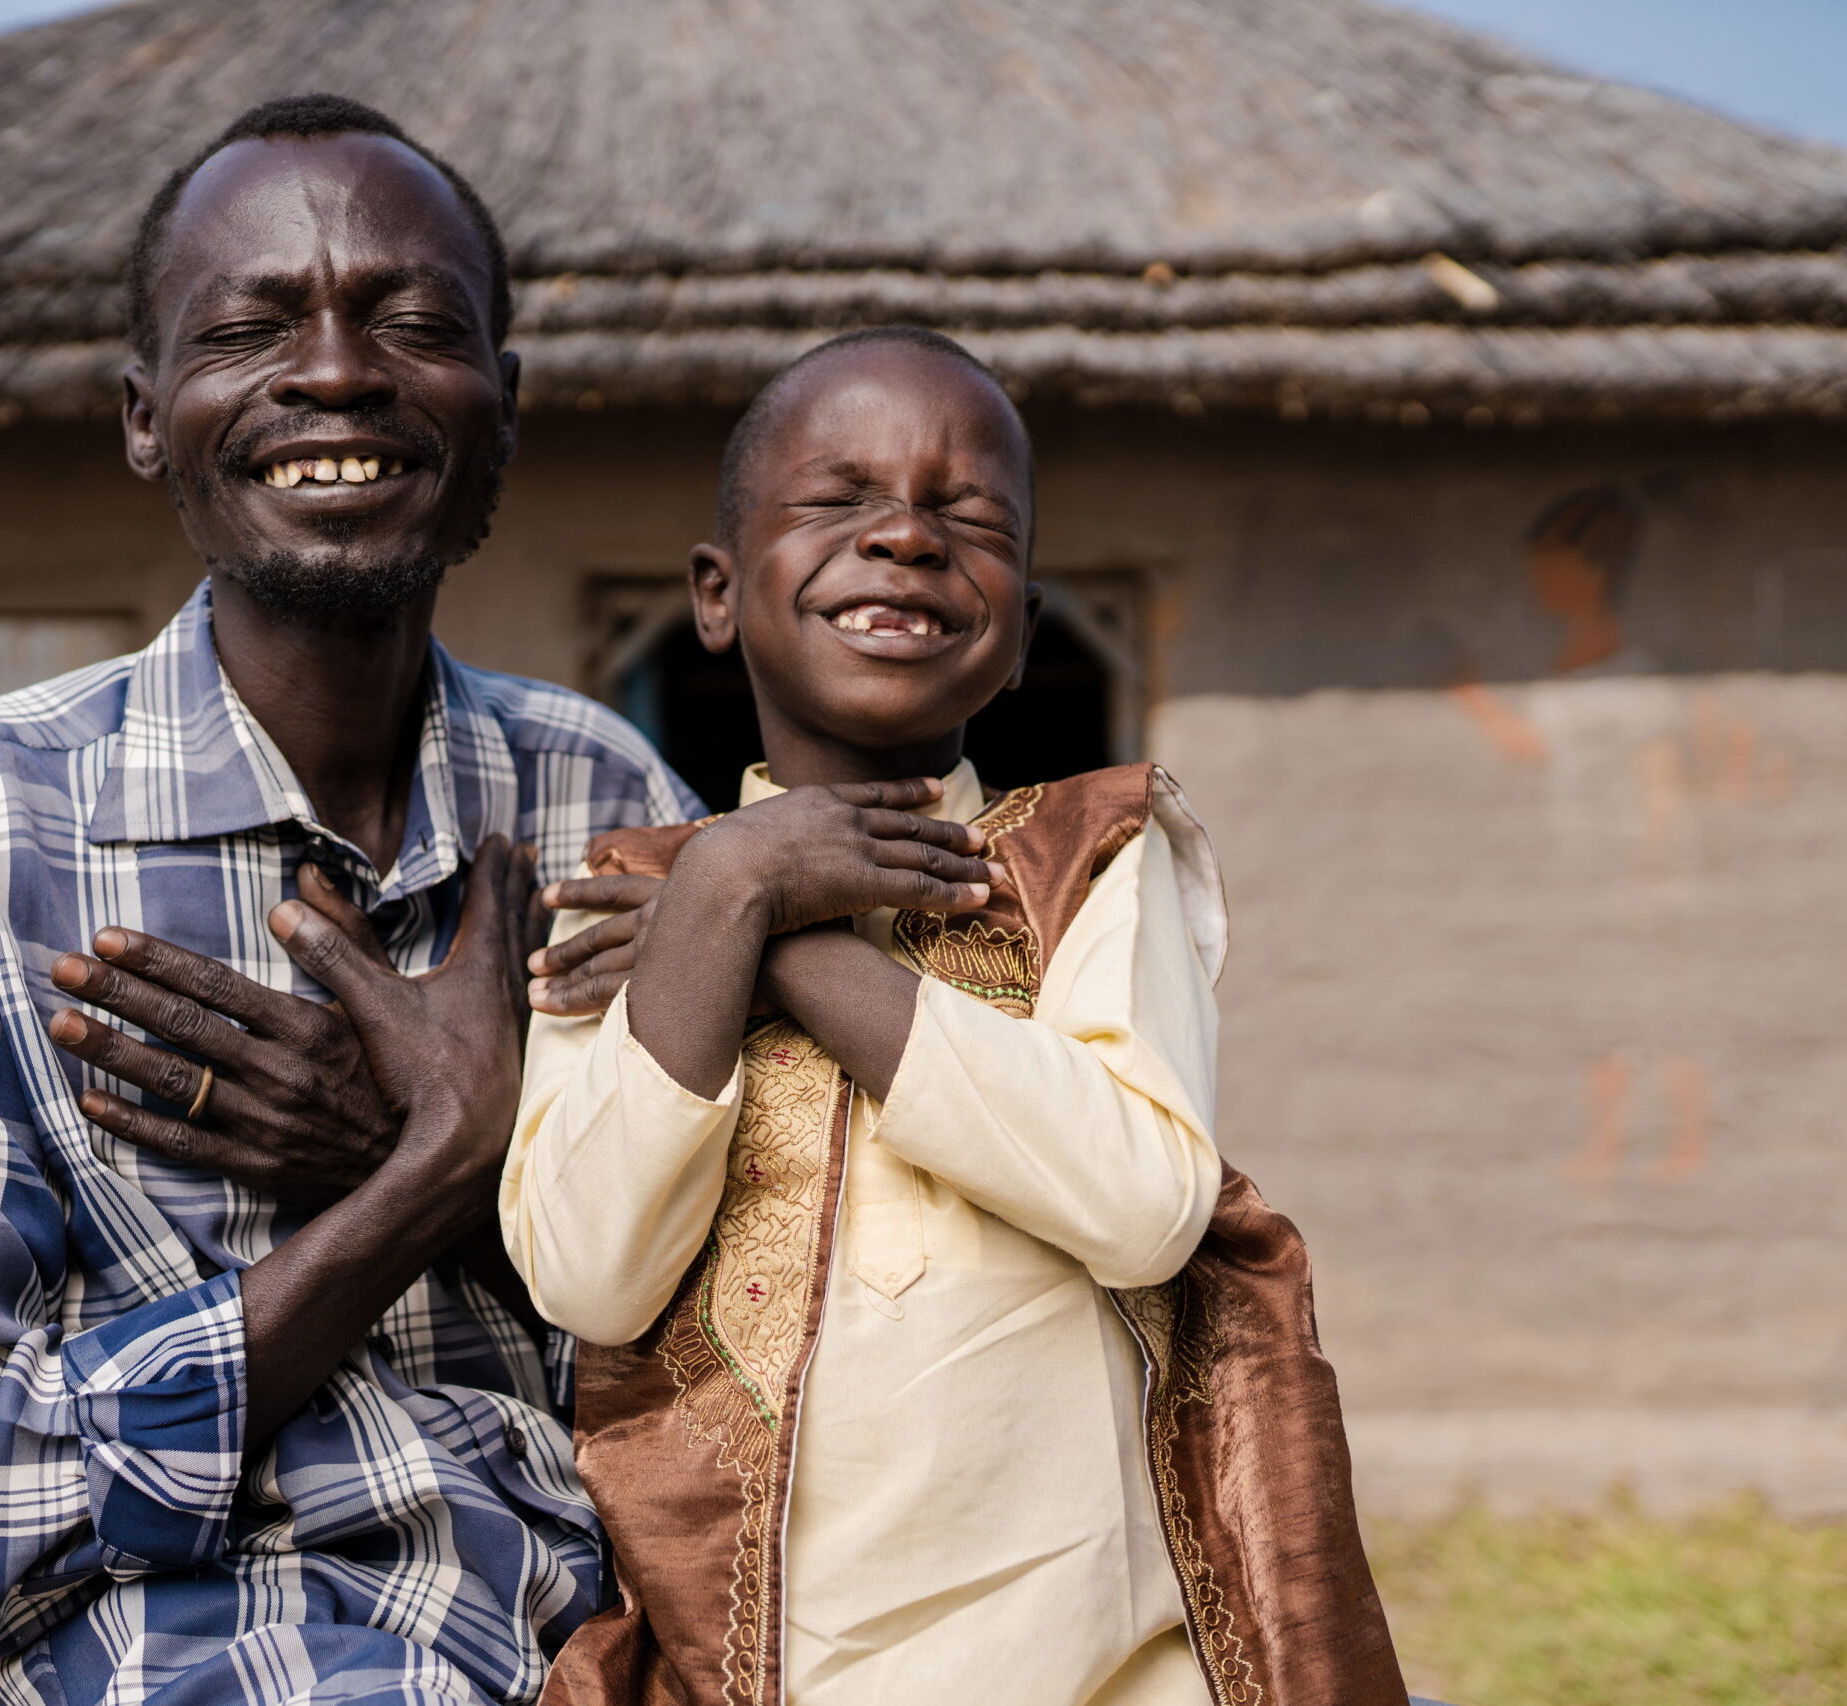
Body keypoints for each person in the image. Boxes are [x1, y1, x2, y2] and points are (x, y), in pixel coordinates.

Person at [0, 95, 699, 1706]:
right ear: (149, 414)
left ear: (504, 406)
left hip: (606, 1651)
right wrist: (425, 1173)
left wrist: (416, 1155)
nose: (339, 372)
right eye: (251, 327)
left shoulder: (604, 802)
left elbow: (737, 1359)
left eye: (414, 323)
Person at [494, 329, 1408, 1706]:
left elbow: (1144, 1199)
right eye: (839, 499)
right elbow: (589, 1273)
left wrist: (774, 931)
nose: (907, 537)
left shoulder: (1096, 857)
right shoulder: (631, 904)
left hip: (1106, 1675)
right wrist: (717, 898)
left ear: (1023, 629)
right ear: (717, 592)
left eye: (966, 515)